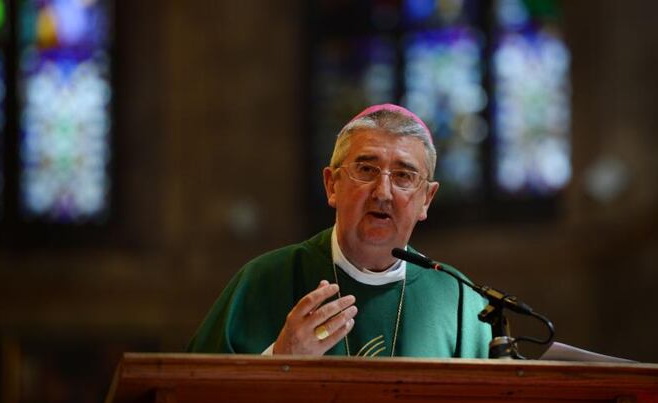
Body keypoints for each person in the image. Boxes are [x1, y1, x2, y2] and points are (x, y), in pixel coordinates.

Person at [187, 104, 491, 357]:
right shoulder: (264, 281)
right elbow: (189, 400)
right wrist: (279, 359)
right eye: (366, 170)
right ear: (332, 185)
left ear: (426, 199)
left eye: (404, 175)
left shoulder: (460, 302)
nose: (383, 192)